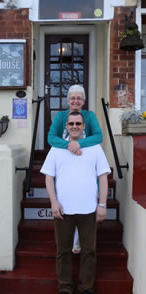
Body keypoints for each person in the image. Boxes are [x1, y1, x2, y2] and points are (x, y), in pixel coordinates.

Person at [41, 111, 110, 294]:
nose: (74, 126)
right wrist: (53, 202)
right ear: (66, 126)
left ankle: (86, 288)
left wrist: (102, 205)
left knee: (89, 251)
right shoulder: (56, 149)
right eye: (71, 123)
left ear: (84, 126)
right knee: (63, 251)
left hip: (88, 209)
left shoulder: (95, 148)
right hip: (63, 210)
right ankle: (65, 287)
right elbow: (49, 178)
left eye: (78, 123)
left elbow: (103, 177)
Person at [48, 84, 103, 253]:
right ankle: (68, 241)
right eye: (73, 98)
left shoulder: (89, 116)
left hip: (86, 166)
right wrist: (69, 145)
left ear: (84, 101)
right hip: (66, 166)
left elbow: (98, 136)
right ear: (68, 100)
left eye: (79, 98)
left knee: (86, 204)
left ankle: (80, 241)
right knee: (66, 204)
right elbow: (51, 138)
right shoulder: (60, 117)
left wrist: (79, 143)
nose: (76, 101)